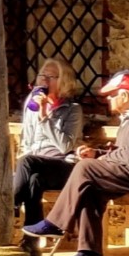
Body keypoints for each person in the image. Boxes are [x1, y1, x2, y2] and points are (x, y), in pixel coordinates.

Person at [20, 68, 129, 256]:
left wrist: (96, 160)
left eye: (111, 95)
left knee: (85, 168)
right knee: (89, 189)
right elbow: (125, 153)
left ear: (124, 95)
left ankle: (55, 224)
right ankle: (90, 251)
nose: (108, 100)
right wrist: (96, 153)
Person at [13, 57, 84, 233]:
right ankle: (32, 241)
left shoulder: (73, 109)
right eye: (42, 75)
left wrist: (45, 118)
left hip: (63, 166)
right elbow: (28, 140)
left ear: (63, 82)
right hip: (37, 166)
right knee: (34, 180)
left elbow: (65, 146)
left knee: (27, 161)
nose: (44, 80)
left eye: (51, 76)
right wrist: (39, 110)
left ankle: (11, 203)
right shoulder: (32, 105)